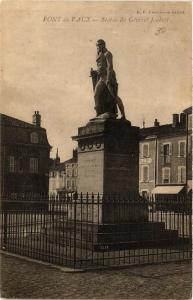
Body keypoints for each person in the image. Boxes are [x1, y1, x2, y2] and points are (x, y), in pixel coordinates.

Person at [90, 39, 126, 119]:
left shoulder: (108, 54)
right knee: (96, 94)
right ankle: (98, 113)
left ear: (103, 45)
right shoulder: (98, 55)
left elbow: (110, 66)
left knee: (114, 96)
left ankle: (123, 114)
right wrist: (94, 72)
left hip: (108, 77)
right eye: (97, 46)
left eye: (99, 45)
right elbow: (101, 67)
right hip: (101, 78)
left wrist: (109, 79)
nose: (97, 47)